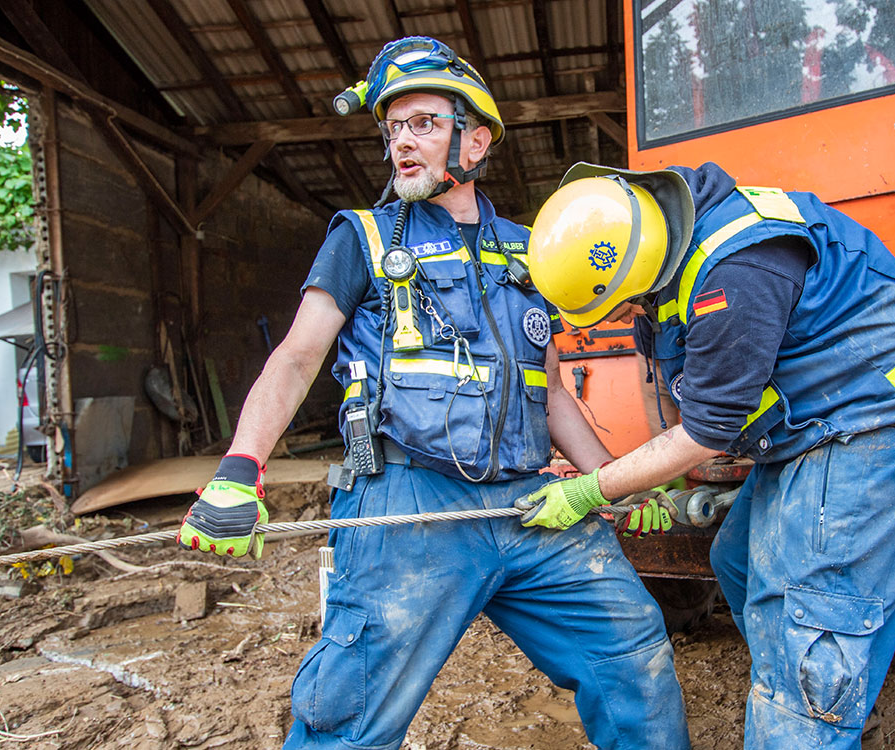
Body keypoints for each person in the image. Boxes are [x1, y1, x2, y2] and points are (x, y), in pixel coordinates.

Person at [177, 38, 691, 750]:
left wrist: (610, 482)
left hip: (531, 505)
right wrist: (241, 467)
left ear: (474, 141)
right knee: (349, 716)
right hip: (407, 507)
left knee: (632, 652)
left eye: (423, 123)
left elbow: (547, 395)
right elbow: (296, 358)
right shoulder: (360, 238)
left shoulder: (530, 249)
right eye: (393, 129)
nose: (402, 144)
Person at [521, 161, 895, 750]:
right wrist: (653, 484)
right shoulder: (670, 248)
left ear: (636, 267)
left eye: (620, 308)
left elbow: (706, 430)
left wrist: (593, 488)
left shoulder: (736, 270)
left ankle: (805, 714)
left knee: (809, 612)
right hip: (814, 422)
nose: (622, 320)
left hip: (876, 421)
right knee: (737, 561)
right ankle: (812, 697)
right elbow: (694, 403)